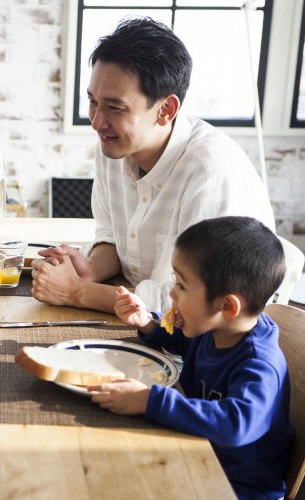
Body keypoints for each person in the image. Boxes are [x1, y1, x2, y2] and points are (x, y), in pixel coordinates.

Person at [32, 17, 275, 314]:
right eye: (93, 101)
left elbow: (190, 304)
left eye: (115, 107)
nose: (97, 122)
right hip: (138, 318)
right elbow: (110, 232)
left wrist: (78, 292)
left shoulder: (211, 175)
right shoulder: (115, 145)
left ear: (166, 110)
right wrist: (91, 270)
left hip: (202, 342)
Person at [91, 216, 292, 499]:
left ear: (227, 305)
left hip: (236, 487)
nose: (172, 292)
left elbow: (236, 424)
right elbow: (180, 341)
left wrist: (149, 400)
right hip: (193, 449)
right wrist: (147, 323)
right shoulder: (215, 326)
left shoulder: (259, 364)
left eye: (182, 285)